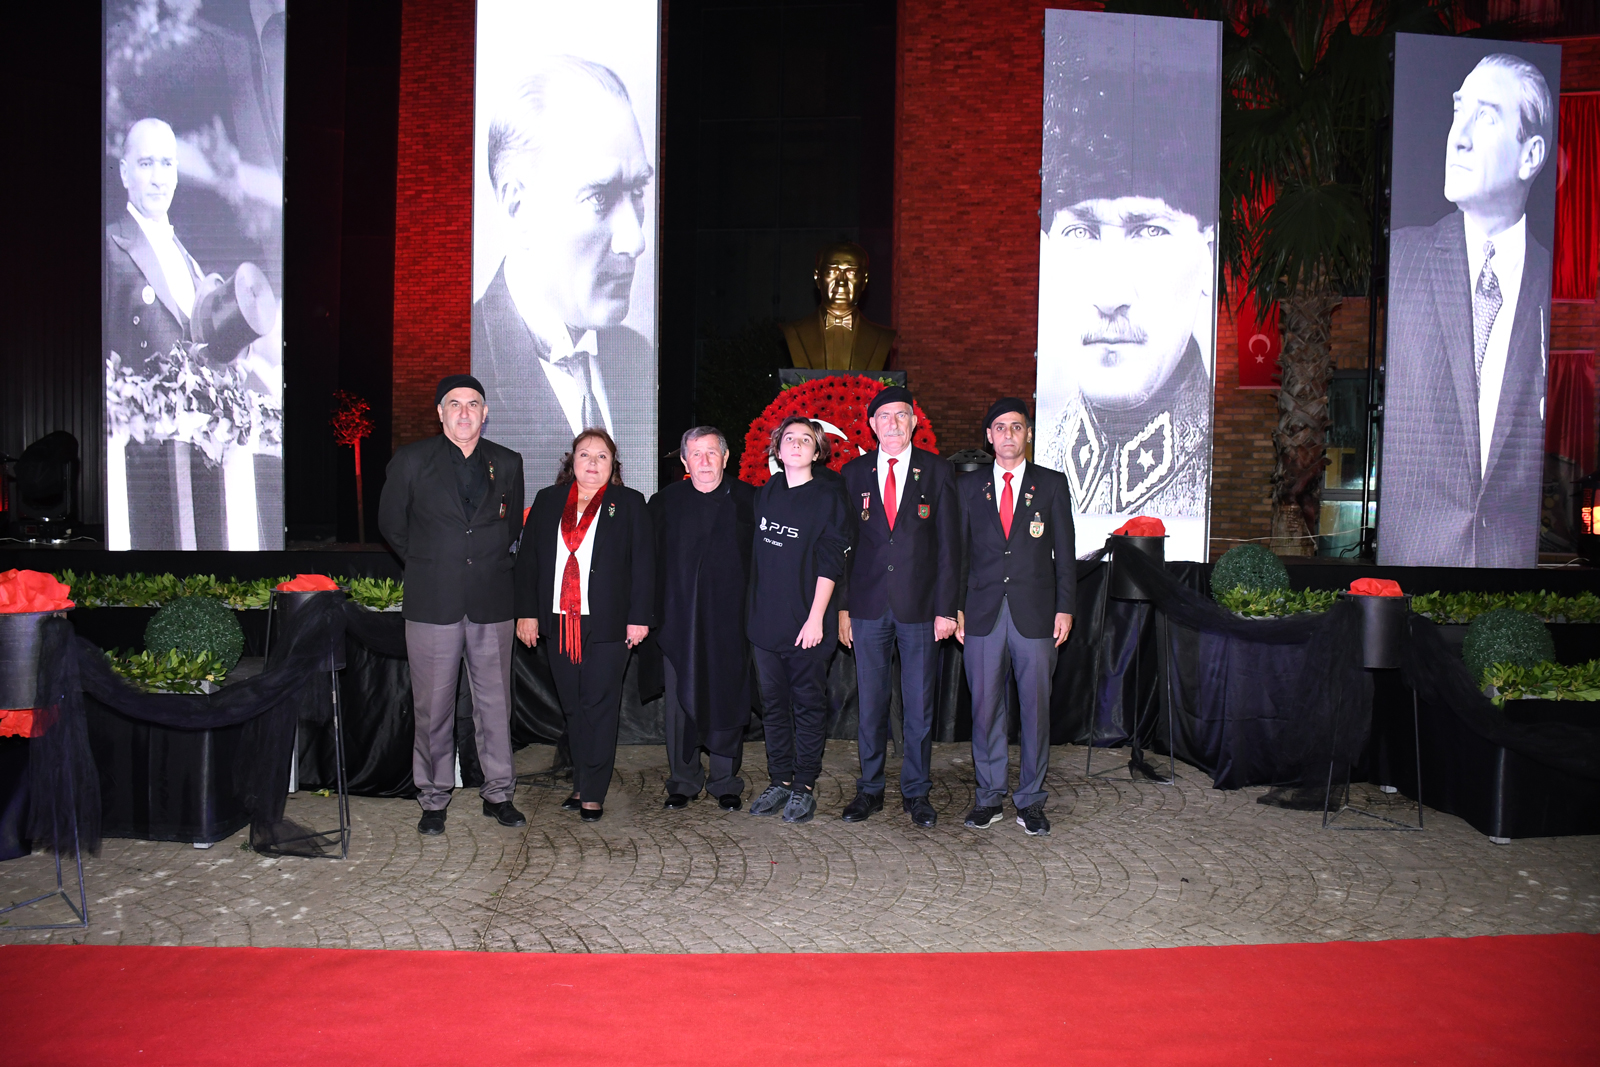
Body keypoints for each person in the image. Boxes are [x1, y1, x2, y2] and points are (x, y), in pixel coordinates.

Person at [1034, 26, 1218, 547]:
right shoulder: (1035, 465)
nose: (1109, 293)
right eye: (1081, 232)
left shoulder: (1227, 471)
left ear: (1207, 255)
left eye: (1150, 231)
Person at [1379, 53, 1554, 568]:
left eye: (1486, 117)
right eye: (1459, 111)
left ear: (1530, 155)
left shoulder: (1553, 283)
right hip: (1410, 571)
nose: (1458, 137)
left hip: (1511, 575)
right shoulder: (1403, 260)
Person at [472, 55, 655, 492]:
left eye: (637, 191)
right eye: (599, 197)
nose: (635, 241)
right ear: (518, 207)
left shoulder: (637, 357)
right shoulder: (471, 366)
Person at [378, 375, 526, 836]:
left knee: (495, 706)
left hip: (491, 601)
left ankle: (498, 793)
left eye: (473, 404)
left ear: (485, 413)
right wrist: (431, 562)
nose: (465, 412)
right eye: (455, 404)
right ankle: (433, 797)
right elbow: (391, 524)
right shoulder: (411, 460)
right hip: (433, 602)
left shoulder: (507, 462)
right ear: (440, 412)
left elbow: (510, 529)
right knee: (434, 708)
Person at [515, 429, 654, 822]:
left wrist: (639, 618)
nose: (592, 463)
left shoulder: (629, 503)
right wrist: (526, 612)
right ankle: (580, 781)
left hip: (609, 623)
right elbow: (528, 561)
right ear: (571, 461)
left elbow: (644, 564)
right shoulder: (548, 500)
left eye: (602, 456)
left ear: (613, 465)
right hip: (560, 620)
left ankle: (593, 791)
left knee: (599, 706)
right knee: (573, 707)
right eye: (584, 455)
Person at [838, 386, 959, 828]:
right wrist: (843, 609)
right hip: (867, 608)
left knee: (919, 708)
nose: (893, 423)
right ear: (872, 425)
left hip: (921, 610)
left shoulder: (937, 470)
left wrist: (947, 609)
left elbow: (950, 546)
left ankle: (917, 792)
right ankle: (869, 790)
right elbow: (844, 546)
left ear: (913, 422)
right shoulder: (852, 473)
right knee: (870, 704)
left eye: (901, 415)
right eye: (884, 416)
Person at [955, 399, 1076, 836]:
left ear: (1028, 434)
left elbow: (1065, 553)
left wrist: (1065, 608)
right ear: (989, 436)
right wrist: (956, 608)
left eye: (1017, 427)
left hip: (1037, 614)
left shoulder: (1051, 484)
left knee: (1035, 710)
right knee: (985, 709)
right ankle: (989, 797)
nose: (1009, 434)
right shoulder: (968, 487)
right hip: (982, 613)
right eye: (1000, 427)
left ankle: (1031, 800)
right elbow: (958, 554)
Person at [105, 118, 219, 551]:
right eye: (146, 163)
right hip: (142, 468)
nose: (158, 177)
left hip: (197, 466)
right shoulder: (109, 248)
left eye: (167, 164)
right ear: (124, 172)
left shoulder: (189, 261)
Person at [748, 417, 850, 823]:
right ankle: (780, 779)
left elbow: (831, 561)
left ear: (817, 450)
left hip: (807, 624)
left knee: (807, 706)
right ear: (777, 448)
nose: (796, 444)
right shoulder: (767, 492)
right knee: (773, 707)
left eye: (805, 439)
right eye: (788, 438)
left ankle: (804, 785)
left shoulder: (828, 497)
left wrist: (816, 619)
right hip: (764, 624)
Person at [649, 426, 756, 811]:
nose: (705, 461)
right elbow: (648, 563)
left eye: (712, 452)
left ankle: (725, 781)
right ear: (684, 460)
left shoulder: (750, 500)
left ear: (726, 457)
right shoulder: (664, 503)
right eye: (696, 453)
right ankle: (683, 780)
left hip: (732, 624)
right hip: (678, 622)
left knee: (728, 697)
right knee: (679, 704)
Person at [780, 242, 897, 371]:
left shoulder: (882, 337)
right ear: (817, 277)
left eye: (851, 272)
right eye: (832, 271)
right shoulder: (793, 332)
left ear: (864, 280)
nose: (841, 281)